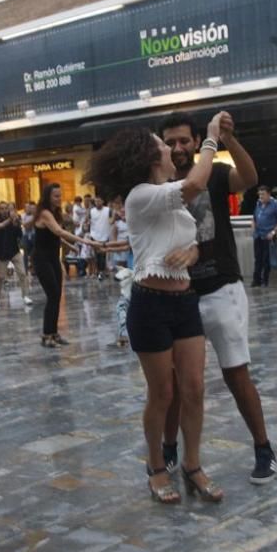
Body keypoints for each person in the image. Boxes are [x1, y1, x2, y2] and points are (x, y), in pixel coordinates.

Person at [85, 114, 223, 504]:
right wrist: (210, 139)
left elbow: (188, 243)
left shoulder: (173, 201)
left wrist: (193, 251)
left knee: (193, 388)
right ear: (149, 157)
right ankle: (157, 465)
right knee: (162, 393)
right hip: (150, 304)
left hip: (184, 301)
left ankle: (193, 464)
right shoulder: (140, 195)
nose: (169, 148)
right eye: (162, 145)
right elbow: (197, 182)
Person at [161, 110, 277, 485]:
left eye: (183, 140)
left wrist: (228, 140)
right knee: (175, 382)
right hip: (179, 294)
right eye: (170, 142)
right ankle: (169, 448)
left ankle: (263, 447)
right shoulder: (159, 184)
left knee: (235, 373)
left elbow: (249, 178)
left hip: (221, 287)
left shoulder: (213, 172)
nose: (177, 148)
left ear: (197, 142)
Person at [33, 183, 98, 347]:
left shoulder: (54, 213)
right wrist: (83, 240)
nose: (59, 198)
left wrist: (68, 246)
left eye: (60, 195)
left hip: (53, 258)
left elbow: (54, 235)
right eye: (56, 195)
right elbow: (59, 231)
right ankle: (47, 335)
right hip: (42, 259)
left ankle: (53, 333)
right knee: (53, 295)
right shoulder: (45, 213)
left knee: (57, 295)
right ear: (47, 196)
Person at [0, 202, 32, 305]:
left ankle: (26, 296)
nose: (4, 210)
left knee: (22, 273)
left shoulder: (14, 220)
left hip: (14, 251)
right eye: (2, 208)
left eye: (6, 208)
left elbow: (19, 235)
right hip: (2, 253)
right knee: (0, 277)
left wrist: (17, 225)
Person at [250, 185, 277, 288]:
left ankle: (265, 280)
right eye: (259, 194)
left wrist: (273, 232)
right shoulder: (258, 205)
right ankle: (256, 280)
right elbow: (254, 218)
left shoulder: (275, 205)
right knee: (257, 258)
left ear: (269, 194)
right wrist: (253, 227)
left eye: (263, 194)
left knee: (266, 259)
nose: (261, 196)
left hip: (268, 236)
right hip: (258, 235)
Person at [89, 196, 113, 279]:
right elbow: (87, 221)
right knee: (96, 255)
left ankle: (102, 271)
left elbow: (111, 220)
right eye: (96, 201)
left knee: (103, 254)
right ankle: (99, 271)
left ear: (102, 201)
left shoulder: (108, 210)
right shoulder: (91, 211)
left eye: (99, 201)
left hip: (105, 235)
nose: (97, 203)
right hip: (94, 235)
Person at [21, 202, 37, 275]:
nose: (29, 209)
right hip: (26, 236)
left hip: (34, 235)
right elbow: (26, 226)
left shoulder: (36, 216)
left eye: (30, 208)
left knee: (34, 253)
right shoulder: (23, 215)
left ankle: (34, 269)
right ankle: (25, 270)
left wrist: (29, 223)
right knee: (26, 253)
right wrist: (31, 223)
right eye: (27, 207)